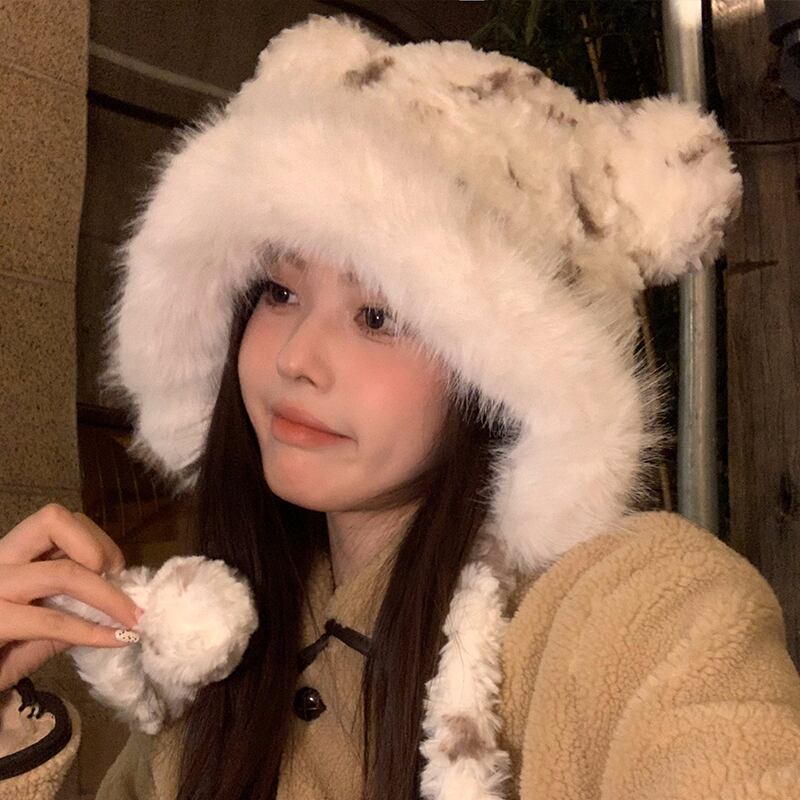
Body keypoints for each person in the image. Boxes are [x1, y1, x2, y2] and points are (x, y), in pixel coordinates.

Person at [1, 11, 799, 800]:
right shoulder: (216, 662)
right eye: (279, 291)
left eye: (379, 316)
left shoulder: (636, 608)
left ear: (513, 371)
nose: (295, 357)